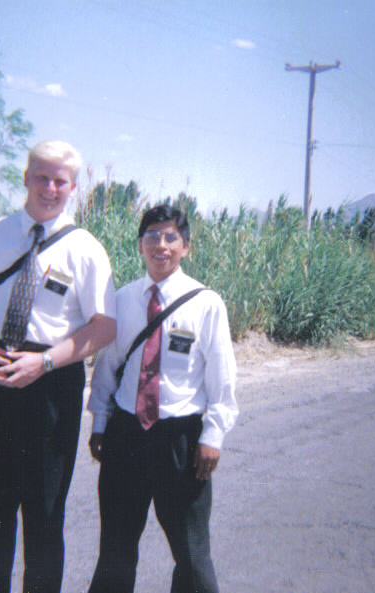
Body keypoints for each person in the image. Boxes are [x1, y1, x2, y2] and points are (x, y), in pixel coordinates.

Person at [0, 140, 116, 593]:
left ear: (74, 187)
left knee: (44, 510)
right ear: (25, 177)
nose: (50, 188)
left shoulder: (86, 250)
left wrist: (45, 361)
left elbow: (103, 327)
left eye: (61, 181)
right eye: (42, 177)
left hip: (51, 382)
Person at [86, 204, 238, 593]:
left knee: (191, 554)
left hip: (180, 439)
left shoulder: (206, 304)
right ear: (140, 245)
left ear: (185, 246)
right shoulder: (122, 299)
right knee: (116, 550)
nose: (161, 245)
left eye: (171, 237)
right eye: (152, 236)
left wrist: (212, 437)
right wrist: (100, 423)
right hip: (126, 433)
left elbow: (221, 378)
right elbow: (108, 367)